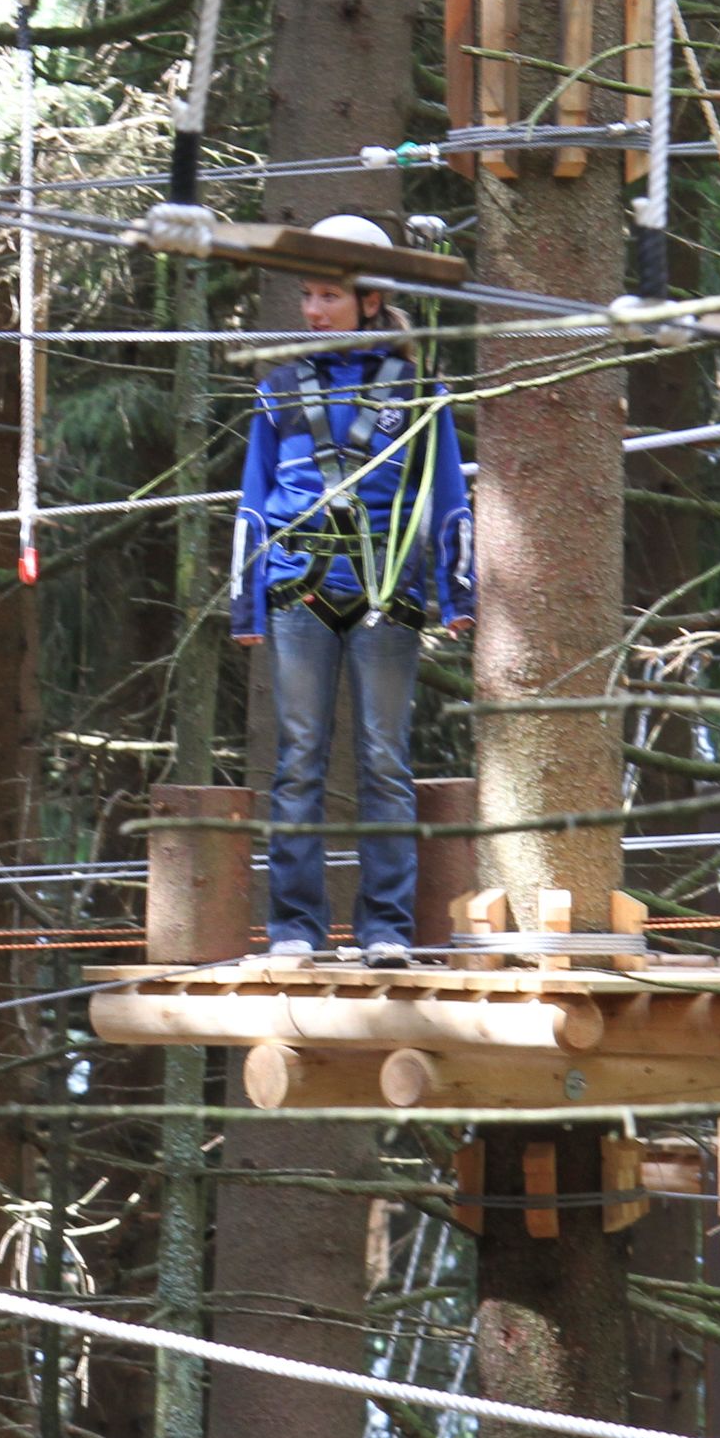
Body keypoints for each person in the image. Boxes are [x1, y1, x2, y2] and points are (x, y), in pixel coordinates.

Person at [230, 213, 472, 967]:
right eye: (305, 296)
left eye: (325, 297)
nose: (309, 311)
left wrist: (454, 595)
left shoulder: (418, 390)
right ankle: (295, 929)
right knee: (298, 758)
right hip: (296, 587)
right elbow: (250, 498)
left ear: (368, 300)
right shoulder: (277, 389)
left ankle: (384, 930)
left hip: (385, 589)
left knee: (383, 760)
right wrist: (246, 602)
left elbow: (447, 497)